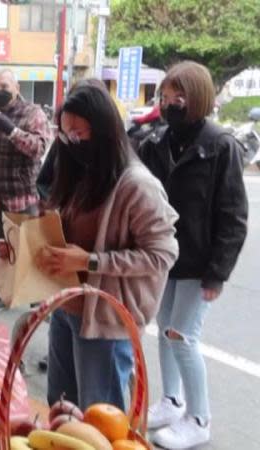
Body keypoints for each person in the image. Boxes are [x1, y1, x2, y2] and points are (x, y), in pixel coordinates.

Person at [31, 83, 179, 412]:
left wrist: (92, 262)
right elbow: (62, 235)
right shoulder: (78, 173)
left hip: (106, 321)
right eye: (65, 134)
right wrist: (22, 246)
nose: (71, 142)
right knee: (61, 407)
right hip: (67, 308)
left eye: (79, 133)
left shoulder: (137, 185)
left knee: (101, 417)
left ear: (103, 130)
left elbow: (163, 254)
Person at [138, 61, 248, 449]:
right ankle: (171, 400)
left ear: (198, 98)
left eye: (179, 98)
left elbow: (233, 215)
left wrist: (217, 273)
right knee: (165, 332)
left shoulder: (220, 146)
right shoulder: (156, 142)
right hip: (165, 260)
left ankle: (198, 418)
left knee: (182, 335)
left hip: (200, 262)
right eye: (165, 98)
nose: (170, 105)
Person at [0, 69, 51, 314]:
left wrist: (11, 130)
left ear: (17, 88)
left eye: (4, 86)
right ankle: (3, 296)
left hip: (22, 197)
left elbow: (38, 148)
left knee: (30, 250)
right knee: (0, 250)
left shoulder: (32, 114)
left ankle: (40, 300)